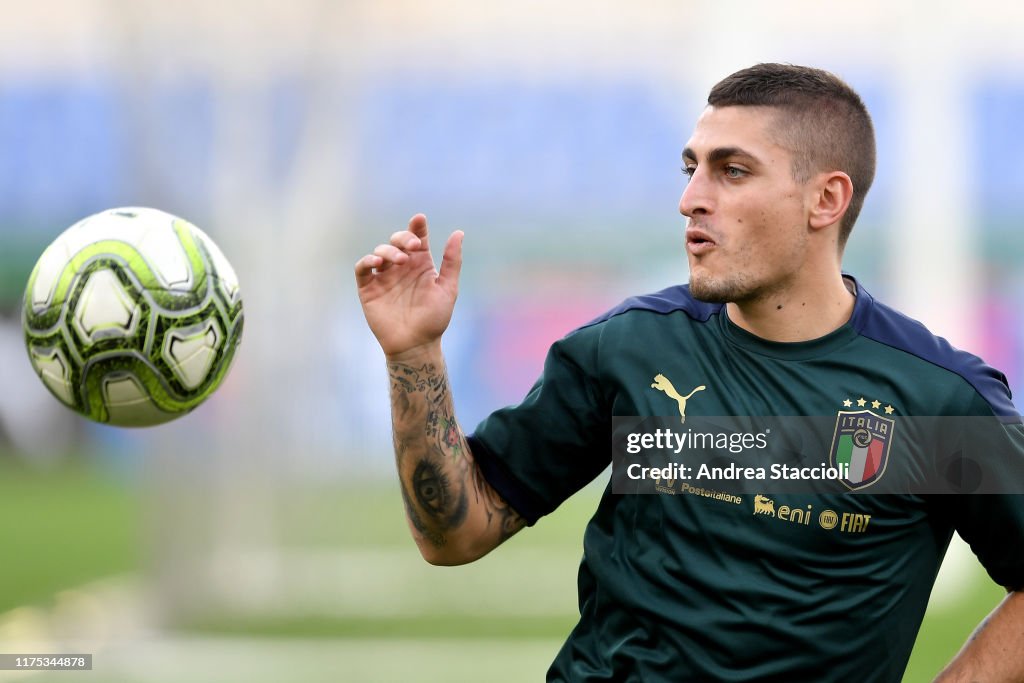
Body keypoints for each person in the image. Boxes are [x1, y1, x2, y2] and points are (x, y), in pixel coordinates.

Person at [354, 63, 1024, 682]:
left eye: (732, 171)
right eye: (691, 168)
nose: (692, 199)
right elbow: (455, 533)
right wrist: (413, 353)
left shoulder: (937, 400)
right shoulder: (630, 347)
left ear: (826, 199)